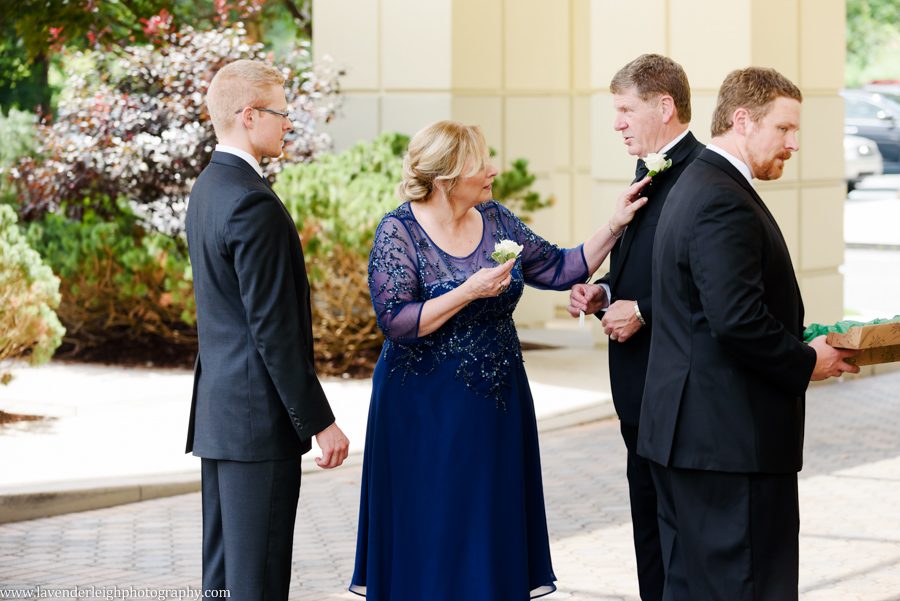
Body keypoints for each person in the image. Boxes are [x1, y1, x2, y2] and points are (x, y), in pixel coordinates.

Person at [349, 120, 650, 601]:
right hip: (422, 409)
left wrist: (614, 224)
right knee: (434, 520)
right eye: (480, 163)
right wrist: (467, 291)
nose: (494, 170)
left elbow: (560, 267)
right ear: (447, 177)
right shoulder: (398, 231)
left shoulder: (496, 219)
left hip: (496, 403)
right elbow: (396, 322)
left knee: (489, 516)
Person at [637, 67, 859, 600]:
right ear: (742, 119)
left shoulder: (695, 184)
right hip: (729, 447)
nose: (794, 144)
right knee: (748, 588)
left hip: (691, 441)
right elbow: (736, 319)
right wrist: (808, 362)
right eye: (784, 129)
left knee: (692, 588)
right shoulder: (719, 196)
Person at [185, 59, 350, 600]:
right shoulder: (252, 202)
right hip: (258, 424)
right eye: (282, 112)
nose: (289, 123)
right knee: (257, 581)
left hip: (220, 416)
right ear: (249, 114)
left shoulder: (208, 187)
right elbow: (272, 332)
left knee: (224, 580)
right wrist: (320, 421)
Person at [566, 54, 705, 601]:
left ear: (664, 106)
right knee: (647, 528)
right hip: (637, 393)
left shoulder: (702, 174)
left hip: (676, 393)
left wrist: (643, 309)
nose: (617, 122)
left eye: (626, 109)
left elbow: (710, 282)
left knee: (678, 532)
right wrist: (603, 288)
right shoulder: (649, 169)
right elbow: (651, 261)